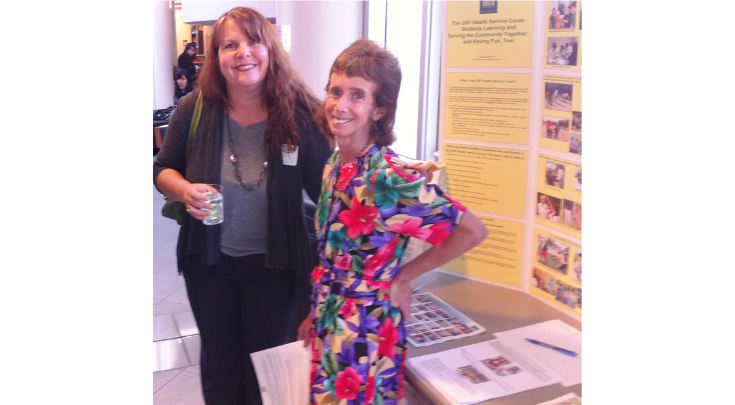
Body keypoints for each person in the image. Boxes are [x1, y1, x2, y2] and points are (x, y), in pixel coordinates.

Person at [153, 7, 332, 405]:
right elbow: (162, 169)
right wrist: (184, 190)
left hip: (277, 267)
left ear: (271, 48)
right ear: (216, 56)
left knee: (264, 367)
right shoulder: (195, 108)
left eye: (253, 42)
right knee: (219, 364)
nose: (243, 53)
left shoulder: (302, 114)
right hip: (209, 264)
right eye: (230, 45)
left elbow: (329, 194)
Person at [297, 39, 488, 405]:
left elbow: (471, 231)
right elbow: (333, 258)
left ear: (379, 111)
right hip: (331, 318)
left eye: (357, 96)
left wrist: (404, 276)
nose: (340, 105)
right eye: (335, 91)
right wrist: (316, 311)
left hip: (365, 332)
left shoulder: (389, 179)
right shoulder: (334, 166)